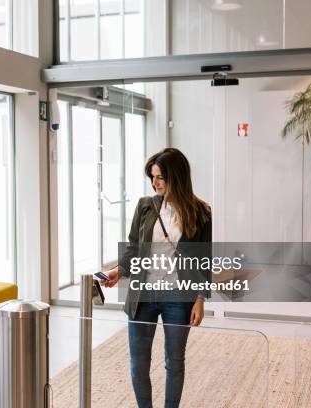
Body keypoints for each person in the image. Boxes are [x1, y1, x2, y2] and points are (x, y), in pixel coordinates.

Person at [99, 147, 211, 408]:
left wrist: (200, 299)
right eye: (152, 176)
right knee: (139, 364)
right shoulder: (145, 206)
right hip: (143, 295)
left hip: (178, 296)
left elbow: (204, 259)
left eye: (160, 177)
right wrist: (119, 271)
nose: (154, 182)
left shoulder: (201, 212)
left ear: (177, 177)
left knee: (175, 362)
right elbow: (134, 247)